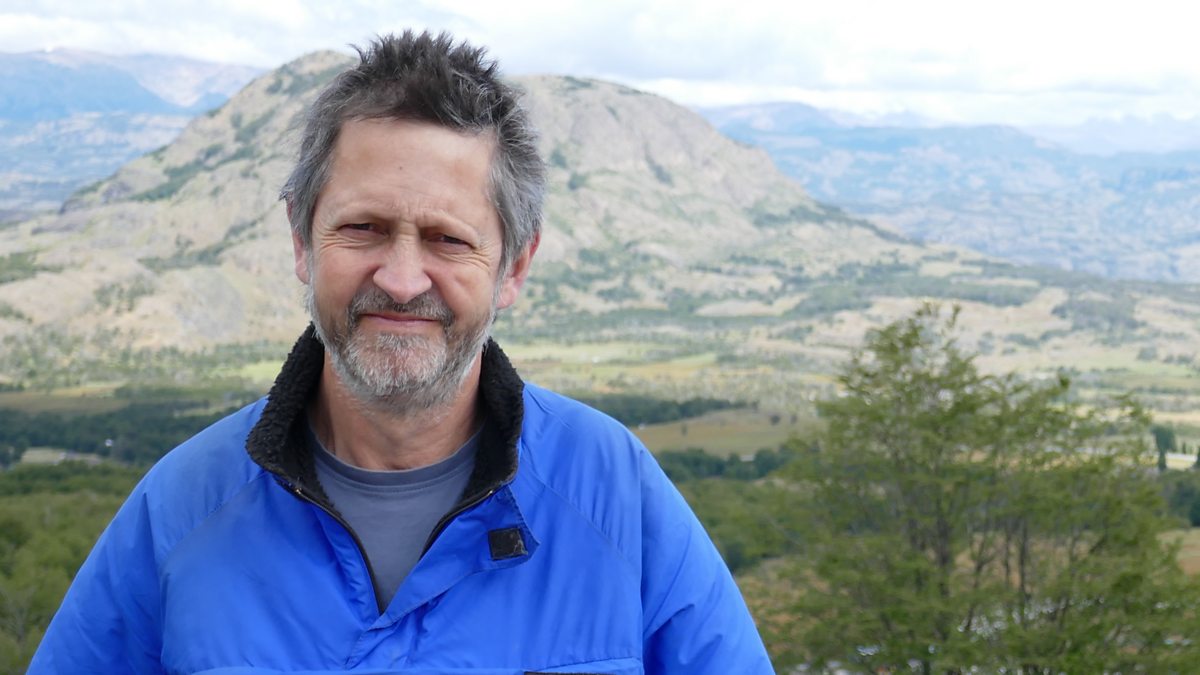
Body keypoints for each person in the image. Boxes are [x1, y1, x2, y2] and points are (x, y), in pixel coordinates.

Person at [30, 30, 774, 674]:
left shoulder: (616, 496)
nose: (402, 278)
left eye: (448, 239)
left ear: (514, 266)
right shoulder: (181, 508)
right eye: (364, 229)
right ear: (302, 240)